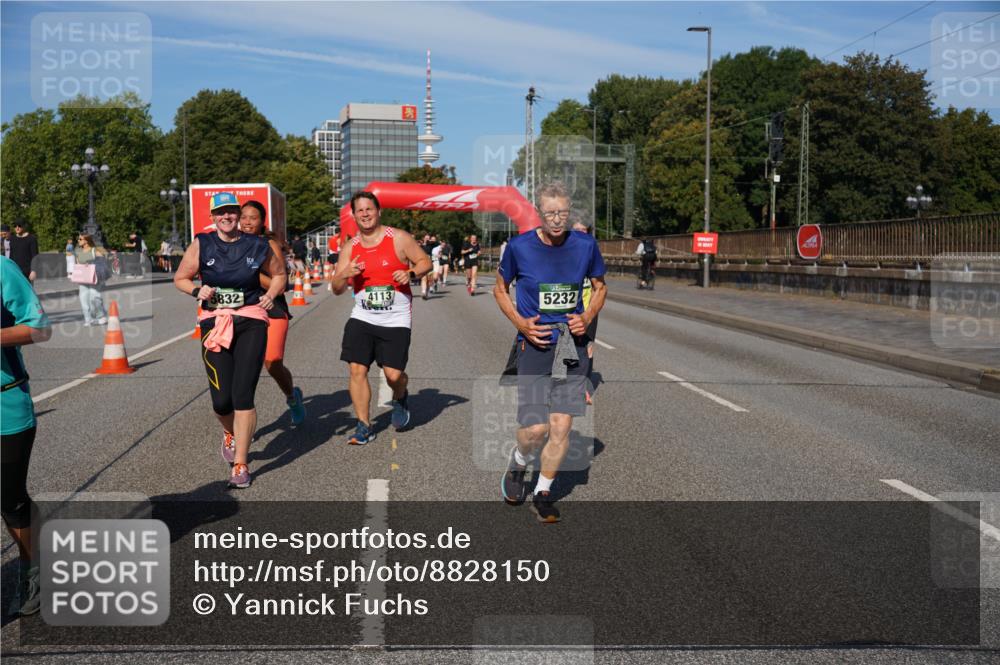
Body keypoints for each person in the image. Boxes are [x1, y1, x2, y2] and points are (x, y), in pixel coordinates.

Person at [494, 181, 607, 523]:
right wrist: (521, 323)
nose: (557, 220)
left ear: (569, 212)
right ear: (538, 213)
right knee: (535, 430)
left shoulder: (586, 245)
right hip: (536, 343)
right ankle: (519, 462)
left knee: (560, 427)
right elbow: (499, 290)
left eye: (562, 213)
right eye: (550, 213)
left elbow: (600, 287)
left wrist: (586, 317)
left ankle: (543, 491)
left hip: (572, 346)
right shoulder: (519, 247)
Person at [174, 192, 287, 489]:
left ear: (238, 214)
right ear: (212, 217)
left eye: (231, 212)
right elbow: (181, 278)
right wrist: (196, 291)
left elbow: (279, 274)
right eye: (220, 212)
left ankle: (241, 463)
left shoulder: (257, 245)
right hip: (215, 322)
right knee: (221, 401)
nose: (227, 217)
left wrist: (271, 294)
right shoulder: (203, 243)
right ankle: (229, 432)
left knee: (242, 395)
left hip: (251, 320)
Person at [330, 192, 431, 445]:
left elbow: (425, 261)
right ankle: (364, 425)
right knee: (356, 369)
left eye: (369, 209)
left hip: (395, 318)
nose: (365, 214)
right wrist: (345, 273)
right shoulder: (350, 247)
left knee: (394, 376)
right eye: (360, 211)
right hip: (362, 316)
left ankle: (401, 396)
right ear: (354, 216)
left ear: (378, 211)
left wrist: (410, 272)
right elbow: (336, 288)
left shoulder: (398, 238)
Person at [1, 255, 52, 616]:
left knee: (10, 499)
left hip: (5, 407)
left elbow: (39, 327)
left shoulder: (3, 270)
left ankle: (36, 568)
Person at [239, 200, 306, 426]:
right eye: (244, 217)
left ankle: (292, 397)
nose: (247, 222)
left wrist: (251, 274)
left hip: (272, 308)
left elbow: (281, 284)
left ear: (261, 222)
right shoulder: (232, 242)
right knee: (243, 368)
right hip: (243, 309)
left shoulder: (269, 244)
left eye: (253, 218)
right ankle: (240, 421)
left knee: (273, 361)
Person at [572, 220, 599, 404]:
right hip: (568, 309)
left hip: (588, 309)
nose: (582, 233)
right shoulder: (563, 251)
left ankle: (583, 387)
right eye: (578, 230)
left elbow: (600, 283)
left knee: (587, 347)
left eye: (585, 230)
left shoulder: (592, 251)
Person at [74, 234, 109, 326]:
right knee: (83, 298)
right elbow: (77, 264)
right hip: (83, 278)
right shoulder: (78, 252)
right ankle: (88, 319)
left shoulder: (95, 250)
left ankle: (101, 316)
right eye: (78, 239)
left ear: (86, 240)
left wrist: (90, 263)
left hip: (94, 277)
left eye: (80, 239)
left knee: (94, 296)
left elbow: (102, 263)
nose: (78, 240)